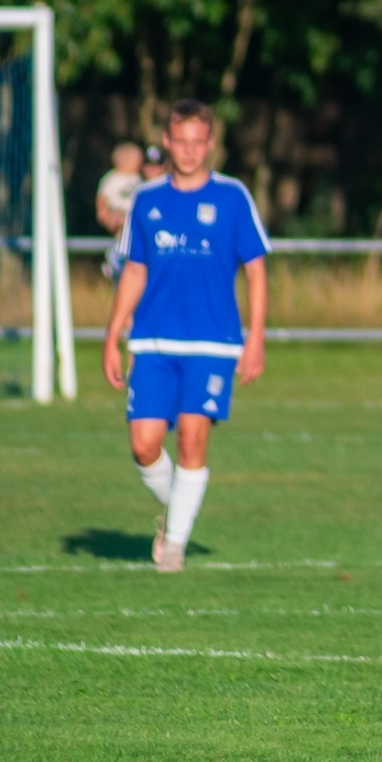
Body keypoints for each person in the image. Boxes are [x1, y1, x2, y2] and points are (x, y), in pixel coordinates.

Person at [102, 99, 270, 573]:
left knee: (193, 439)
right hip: (153, 342)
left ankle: (173, 546)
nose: (190, 150)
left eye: (199, 142)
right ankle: (179, 510)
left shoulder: (233, 197)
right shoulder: (148, 200)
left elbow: (256, 272)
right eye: (182, 141)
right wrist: (112, 334)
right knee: (143, 444)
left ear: (210, 144)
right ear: (168, 143)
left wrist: (255, 339)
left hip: (213, 343)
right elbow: (134, 271)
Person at [97, 141, 144, 281]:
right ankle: (114, 260)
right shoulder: (113, 178)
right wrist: (103, 211)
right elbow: (103, 197)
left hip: (133, 214)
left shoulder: (138, 179)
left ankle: (122, 258)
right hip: (118, 212)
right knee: (121, 235)